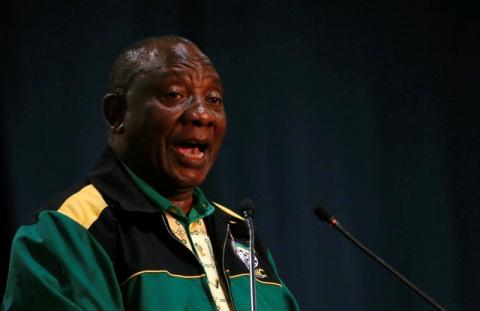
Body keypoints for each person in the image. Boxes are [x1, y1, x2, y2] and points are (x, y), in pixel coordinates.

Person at [2, 36, 299, 310]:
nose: (202, 114)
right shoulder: (67, 231)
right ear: (116, 114)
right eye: (174, 95)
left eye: (214, 100)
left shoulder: (239, 232)